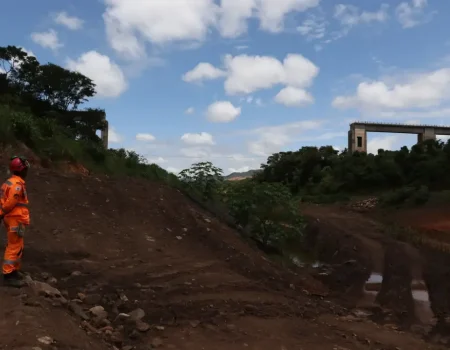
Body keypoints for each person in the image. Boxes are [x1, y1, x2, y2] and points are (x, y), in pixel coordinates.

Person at [0, 156, 30, 287]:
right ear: (21, 170)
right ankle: (8, 275)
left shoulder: (9, 182)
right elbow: (10, 203)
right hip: (15, 218)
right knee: (14, 246)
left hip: (14, 218)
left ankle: (14, 271)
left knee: (18, 244)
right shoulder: (17, 185)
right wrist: (1, 213)